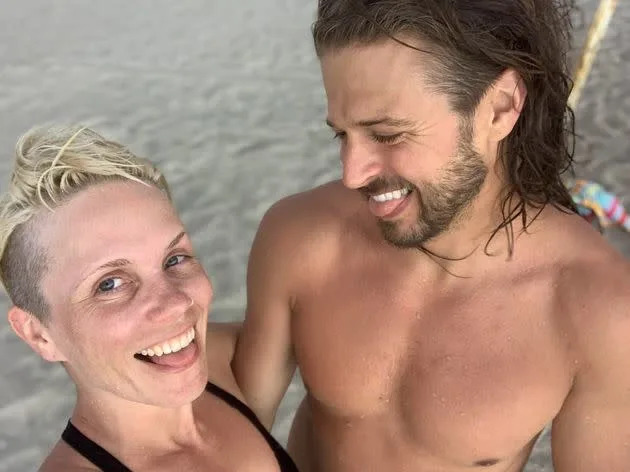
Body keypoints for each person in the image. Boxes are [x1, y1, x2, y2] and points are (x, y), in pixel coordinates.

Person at [231, 1, 630, 471]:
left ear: (500, 108)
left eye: (387, 135)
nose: (352, 175)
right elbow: (232, 433)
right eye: (342, 135)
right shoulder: (300, 238)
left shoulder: (596, 310)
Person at [0, 126, 299, 472]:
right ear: (39, 334)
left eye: (174, 259)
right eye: (109, 284)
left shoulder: (219, 360)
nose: (175, 304)